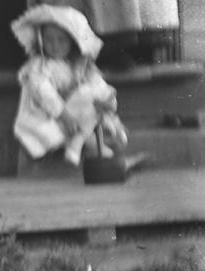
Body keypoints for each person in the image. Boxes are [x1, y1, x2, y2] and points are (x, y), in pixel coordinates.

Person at [11, 4, 141, 167]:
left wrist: (105, 97)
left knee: (94, 93)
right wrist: (64, 115)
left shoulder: (77, 65)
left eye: (61, 40)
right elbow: (43, 93)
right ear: (40, 40)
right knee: (85, 100)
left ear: (72, 42)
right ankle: (85, 145)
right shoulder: (39, 66)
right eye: (49, 39)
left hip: (75, 112)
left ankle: (93, 136)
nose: (55, 46)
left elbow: (94, 83)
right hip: (50, 115)